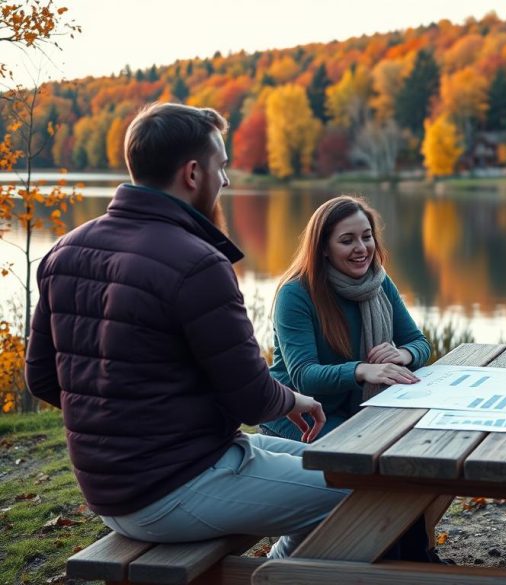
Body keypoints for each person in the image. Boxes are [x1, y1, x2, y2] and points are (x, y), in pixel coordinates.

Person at [25, 102, 345, 559]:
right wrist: (291, 399)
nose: (226, 181)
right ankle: (280, 573)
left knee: (344, 465)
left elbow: (41, 380)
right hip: (172, 486)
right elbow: (250, 399)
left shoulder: (65, 250)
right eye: (222, 167)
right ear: (193, 174)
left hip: (110, 488)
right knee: (362, 492)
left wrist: (127, 416)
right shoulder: (197, 263)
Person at [259, 194, 429, 440]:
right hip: (301, 413)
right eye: (347, 241)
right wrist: (362, 370)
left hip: (354, 409)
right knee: (372, 452)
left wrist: (404, 354)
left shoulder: (378, 282)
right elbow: (304, 376)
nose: (361, 248)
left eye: (367, 236)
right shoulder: (295, 294)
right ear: (324, 248)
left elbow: (419, 342)